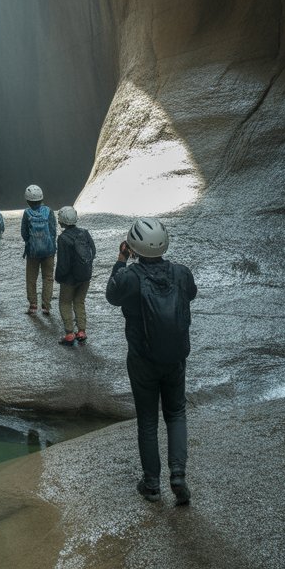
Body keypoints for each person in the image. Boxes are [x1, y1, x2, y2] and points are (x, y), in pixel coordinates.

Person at [106, 217, 198, 506]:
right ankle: (179, 475)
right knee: (176, 413)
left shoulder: (130, 277)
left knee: (148, 421)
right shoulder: (181, 273)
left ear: (133, 246)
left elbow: (112, 295)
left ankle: (152, 484)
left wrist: (121, 260)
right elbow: (191, 294)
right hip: (175, 358)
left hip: (143, 360)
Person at [54, 206, 96, 346]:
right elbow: (92, 252)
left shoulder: (63, 239)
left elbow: (63, 263)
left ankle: (69, 334)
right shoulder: (85, 233)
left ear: (62, 221)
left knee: (65, 303)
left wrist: (59, 277)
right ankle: (82, 331)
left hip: (69, 279)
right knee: (79, 301)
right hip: (85, 276)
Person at [20, 184, 56, 315]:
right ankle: (46, 305)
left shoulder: (27, 213)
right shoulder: (48, 211)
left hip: (33, 252)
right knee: (48, 278)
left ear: (28, 200)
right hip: (48, 251)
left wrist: (31, 242)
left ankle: (33, 305)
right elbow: (53, 230)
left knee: (31, 278)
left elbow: (24, 232)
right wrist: (51, 245)